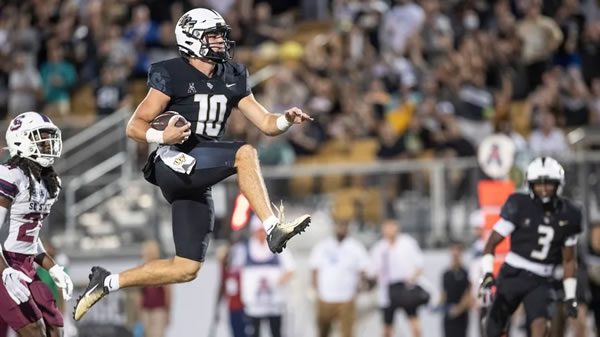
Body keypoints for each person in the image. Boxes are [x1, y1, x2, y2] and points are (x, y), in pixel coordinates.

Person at [73, 8, 312, 321]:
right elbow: (133, 126)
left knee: (186, 268)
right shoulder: (171, 73)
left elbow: (266, 123)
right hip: (172, 161)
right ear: (191, 38)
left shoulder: (232, 75)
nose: (221, 41)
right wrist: (162, 134)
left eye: (220, 35)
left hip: (198, 169)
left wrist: (285, 119)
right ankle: (272, 228)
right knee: (245, 153)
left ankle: (106, 282)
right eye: (213, 35)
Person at [478, 157, 583, 337]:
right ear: (530, 185)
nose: (543, 189)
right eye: (538, 184)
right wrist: (487, 273)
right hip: (513, 274)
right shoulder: (519, 205)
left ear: (559, 184)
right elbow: (491, 243)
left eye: (549, 184)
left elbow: (569, 259)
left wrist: (570, 295)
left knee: (541, 329)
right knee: (493, 328)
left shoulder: (569, 214)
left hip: (541, 279)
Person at [0, 112, 73, 337]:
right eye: (40, 136)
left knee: (56, 326)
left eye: (49, 136)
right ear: (21, 139)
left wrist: (53, 268)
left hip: (27, 264)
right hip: (5, 263)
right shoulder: (11, 175)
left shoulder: (48, 183)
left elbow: (30, 238)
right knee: (34, 329)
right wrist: (5, 273)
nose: (47, 142)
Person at [309, 219, 369, 337]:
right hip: (325, 297)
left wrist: (361, 285)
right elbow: (314, 268)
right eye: (339, 226)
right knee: (323, 331)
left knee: (347, 332)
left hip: (346, 297)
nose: (341, 229)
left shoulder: (355, 247)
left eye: (344, 226)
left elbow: (363, 268)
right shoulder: (323, 246)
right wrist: (315, 288)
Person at [238, 216, 295, 337]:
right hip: (254, 305)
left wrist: (281, 280)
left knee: (276, 332)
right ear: (253, 231)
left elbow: (290, 269)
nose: (261, 233)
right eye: (258, 230)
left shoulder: (279, 246)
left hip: (274, 303)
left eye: (263, 230)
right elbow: (234, 268)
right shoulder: (244, 248)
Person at [369, 219, 426, 337]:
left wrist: (413, 278)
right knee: (387, 328)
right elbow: (372, 271)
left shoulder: (407, 243)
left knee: (414, 325)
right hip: (388, 290)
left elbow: (420, 264)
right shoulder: (379, 248)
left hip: (406, 288)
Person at [137, 241, 171, 337]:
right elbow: (140, 292)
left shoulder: (161, 267)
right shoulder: (142, 268)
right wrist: (139, 310)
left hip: (158, 309)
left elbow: (167, 291)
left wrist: (167, 311)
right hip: (146, 309)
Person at [440, 241, 471, 337]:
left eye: (458, 250)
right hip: (448, 314)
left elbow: (468, 293)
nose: (455, 253)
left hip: (461, 315)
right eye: (453, 250)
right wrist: (439, 306)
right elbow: (444, 293)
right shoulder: (446, 274)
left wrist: (459, 309)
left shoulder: (466, 273)